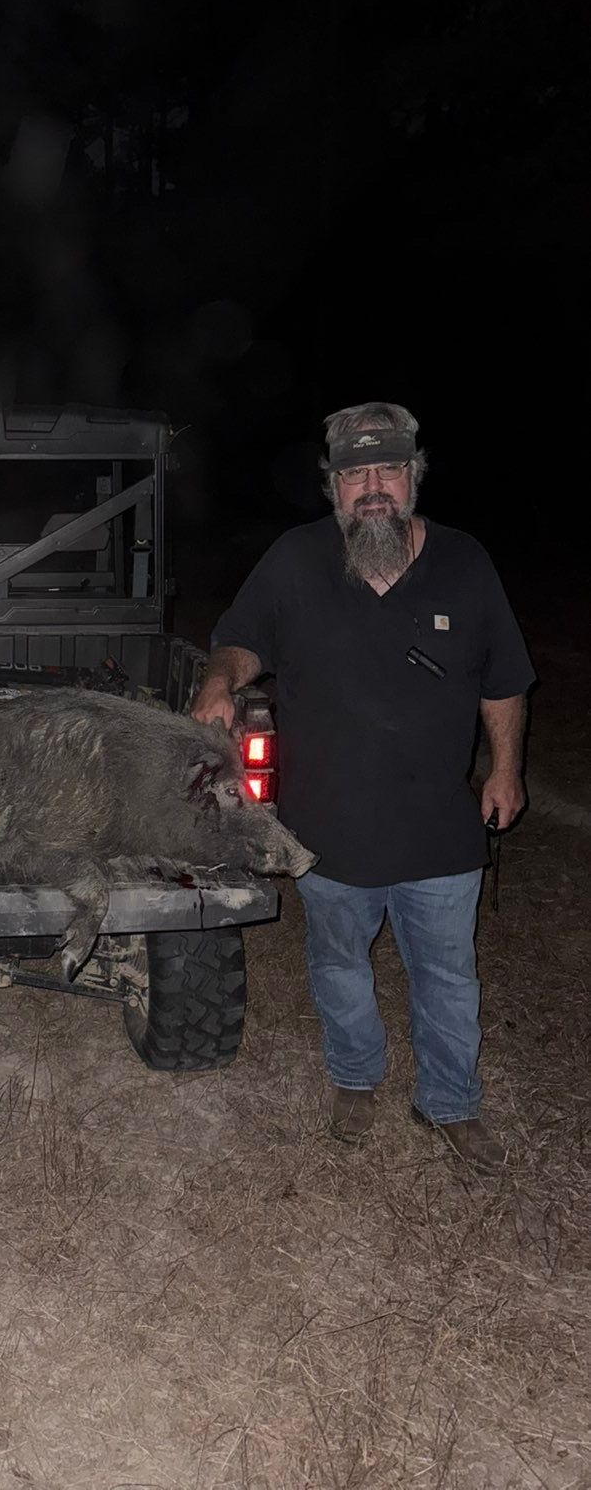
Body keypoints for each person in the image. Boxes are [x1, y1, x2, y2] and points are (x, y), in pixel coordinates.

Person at [191, 402, 533, 1172]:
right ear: (333, 486)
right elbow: (241, 640)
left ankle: (450, 1102)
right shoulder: (295, 558)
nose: (372, 487)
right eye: (355, 474)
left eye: (388, 470)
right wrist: (219, 681)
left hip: (439, 828)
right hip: (329, 828)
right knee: (338, 966)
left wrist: (506, 769)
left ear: (413, 476)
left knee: (448, 977)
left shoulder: (465, 562)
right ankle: (355, 1077)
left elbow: (505, 681)